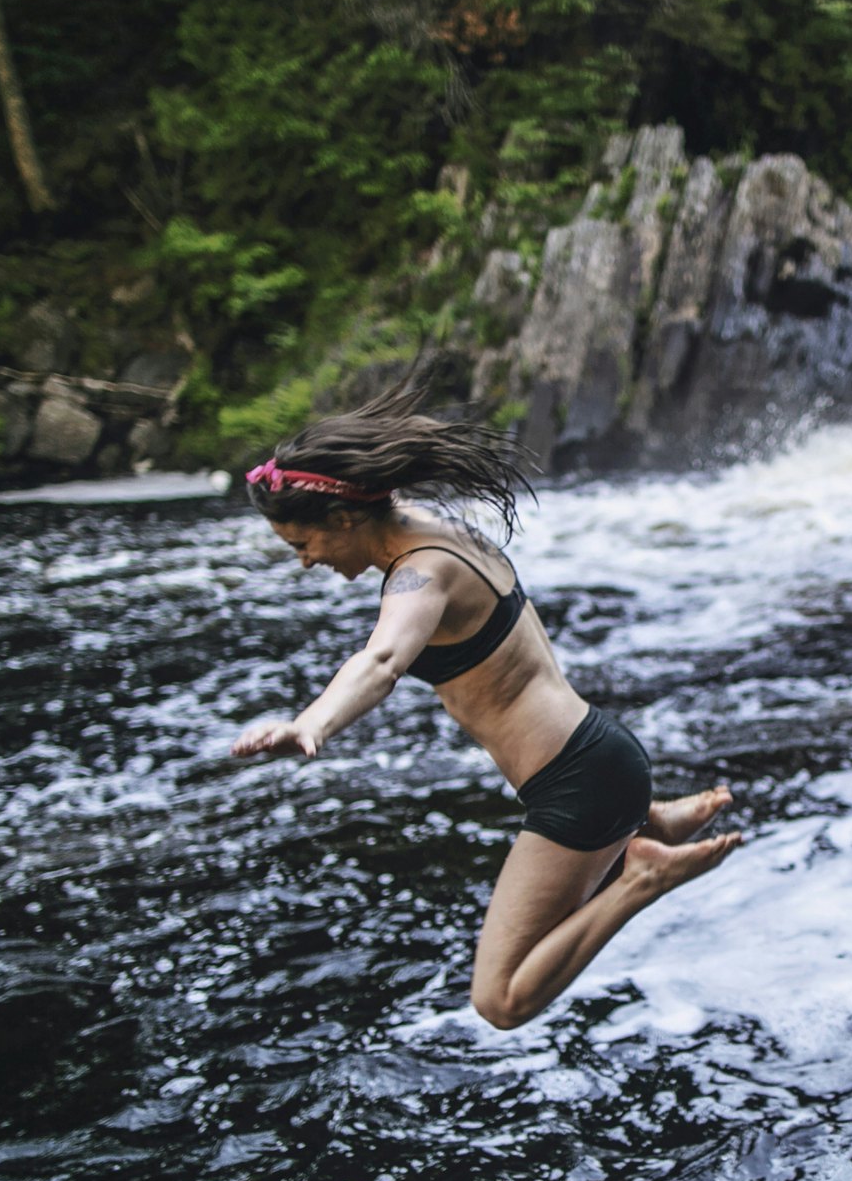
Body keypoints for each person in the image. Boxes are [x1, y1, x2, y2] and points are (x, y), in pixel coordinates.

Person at [230, 379, 739, 1031]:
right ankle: (649, 818)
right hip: (598, 752)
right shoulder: (436, 529)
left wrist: (311, 723)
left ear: (344, 518)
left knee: (501, 1000)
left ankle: (642, 874)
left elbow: (381, 660)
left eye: (303, 545)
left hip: (577, 783)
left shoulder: (423, 571)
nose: (305, 562)